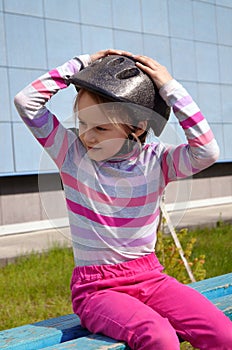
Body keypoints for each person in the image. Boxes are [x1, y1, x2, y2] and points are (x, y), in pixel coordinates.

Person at [14, 48, 232, 350]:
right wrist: (82, 63)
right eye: (83, 124)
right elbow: (26, 102)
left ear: (138, 127)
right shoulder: (71, 155)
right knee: (160, 339)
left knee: (224, 334)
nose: (87, 136)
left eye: (101, 128)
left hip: (151, 278)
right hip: (96, 289)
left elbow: (207, 152)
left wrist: (171, 89)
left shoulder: (158, 161)